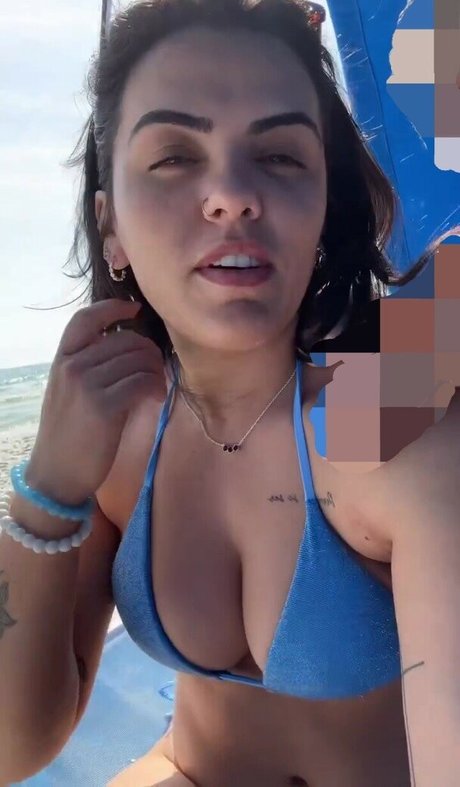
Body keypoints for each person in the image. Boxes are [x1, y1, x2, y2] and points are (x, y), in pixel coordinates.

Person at [1, 1, 459, 786]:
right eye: (175, 156)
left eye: (279, 155)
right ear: (110, 225)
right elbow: (14, 749)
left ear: (324, 205)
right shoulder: (112, 441)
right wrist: (48, 485)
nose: (231, 196)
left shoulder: (390, 434)